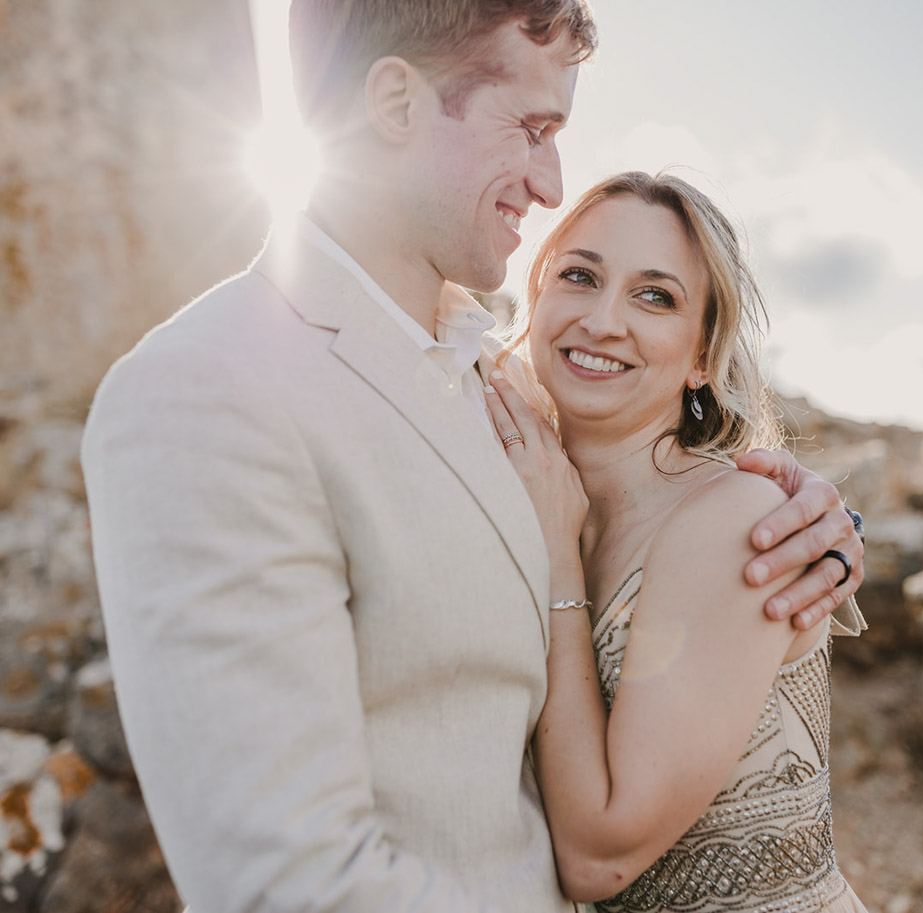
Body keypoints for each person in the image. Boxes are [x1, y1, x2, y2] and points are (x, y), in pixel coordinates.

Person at [80, 2, 863, 910]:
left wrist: (821, 520)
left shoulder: (484, 377)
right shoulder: (207, 389)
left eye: (653, 296)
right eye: (532, 128)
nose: (550, 180)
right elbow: (288, 882)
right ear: (397, 104)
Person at [487, 170, 867, 912]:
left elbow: (600, 853)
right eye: (579, 275)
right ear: (534, 303)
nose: (602, 320)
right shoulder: (513, 471)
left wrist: (559, 556)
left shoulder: (738, 523)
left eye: (654, 295)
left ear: (702, 355)